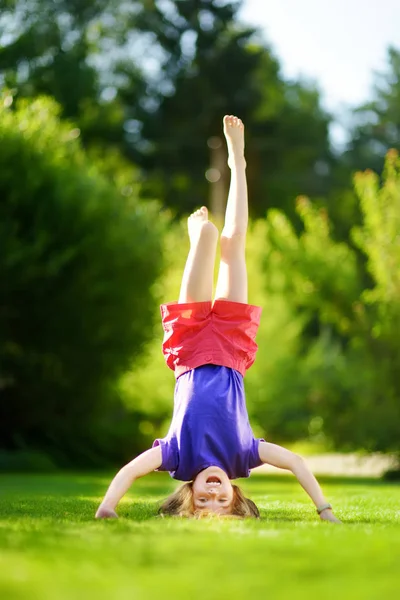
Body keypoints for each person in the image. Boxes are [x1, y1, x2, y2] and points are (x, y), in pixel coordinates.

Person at [95, 115, 341, 523]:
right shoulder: (245, 454)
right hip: (230, 346)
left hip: (189, 347)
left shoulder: (175, 455)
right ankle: (238, 162)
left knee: (207, 236)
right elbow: (296, 462)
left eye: (202, 502)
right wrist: (325, 510)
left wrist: (108, 506)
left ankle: (197, 239)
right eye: (222, 502)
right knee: (232, 243)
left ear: (186, 491)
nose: (212, 495)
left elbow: (129, 472)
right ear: (237, 494)